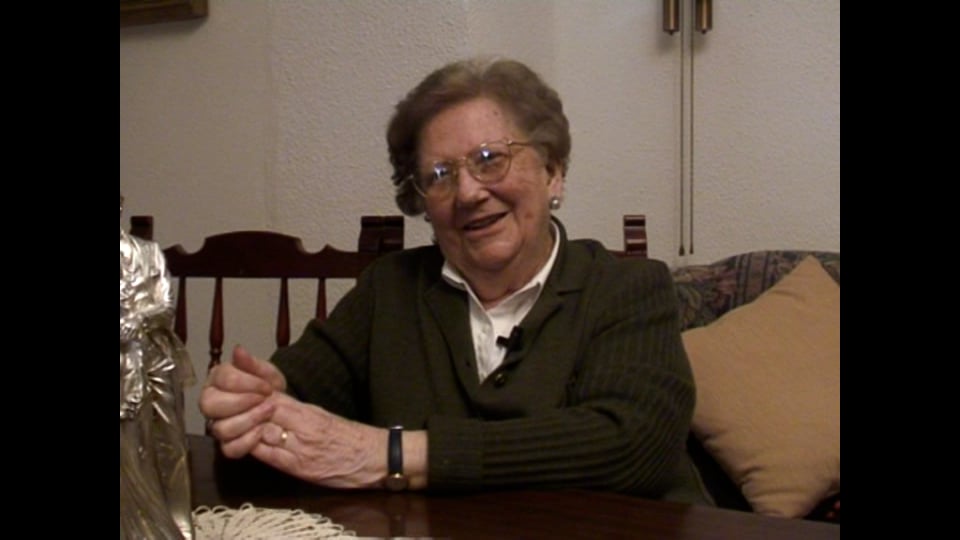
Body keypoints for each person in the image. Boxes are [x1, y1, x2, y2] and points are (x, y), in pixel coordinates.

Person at [199, 56, 708, 503]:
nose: (467, 193)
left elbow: (634, 446)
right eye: (440, 175)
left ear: (552, 171)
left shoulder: (629, 288)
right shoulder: (389, 289)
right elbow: (284, 413)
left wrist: (392, 455)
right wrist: (252, 406)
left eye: (490, 160)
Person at [121, 195, 196, 539]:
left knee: (170, 443)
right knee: (130, 445)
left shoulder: (149, 252)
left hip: (155, 356)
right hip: (123, 363)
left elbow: (165, 305)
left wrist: (138, 320)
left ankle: (177, 524)